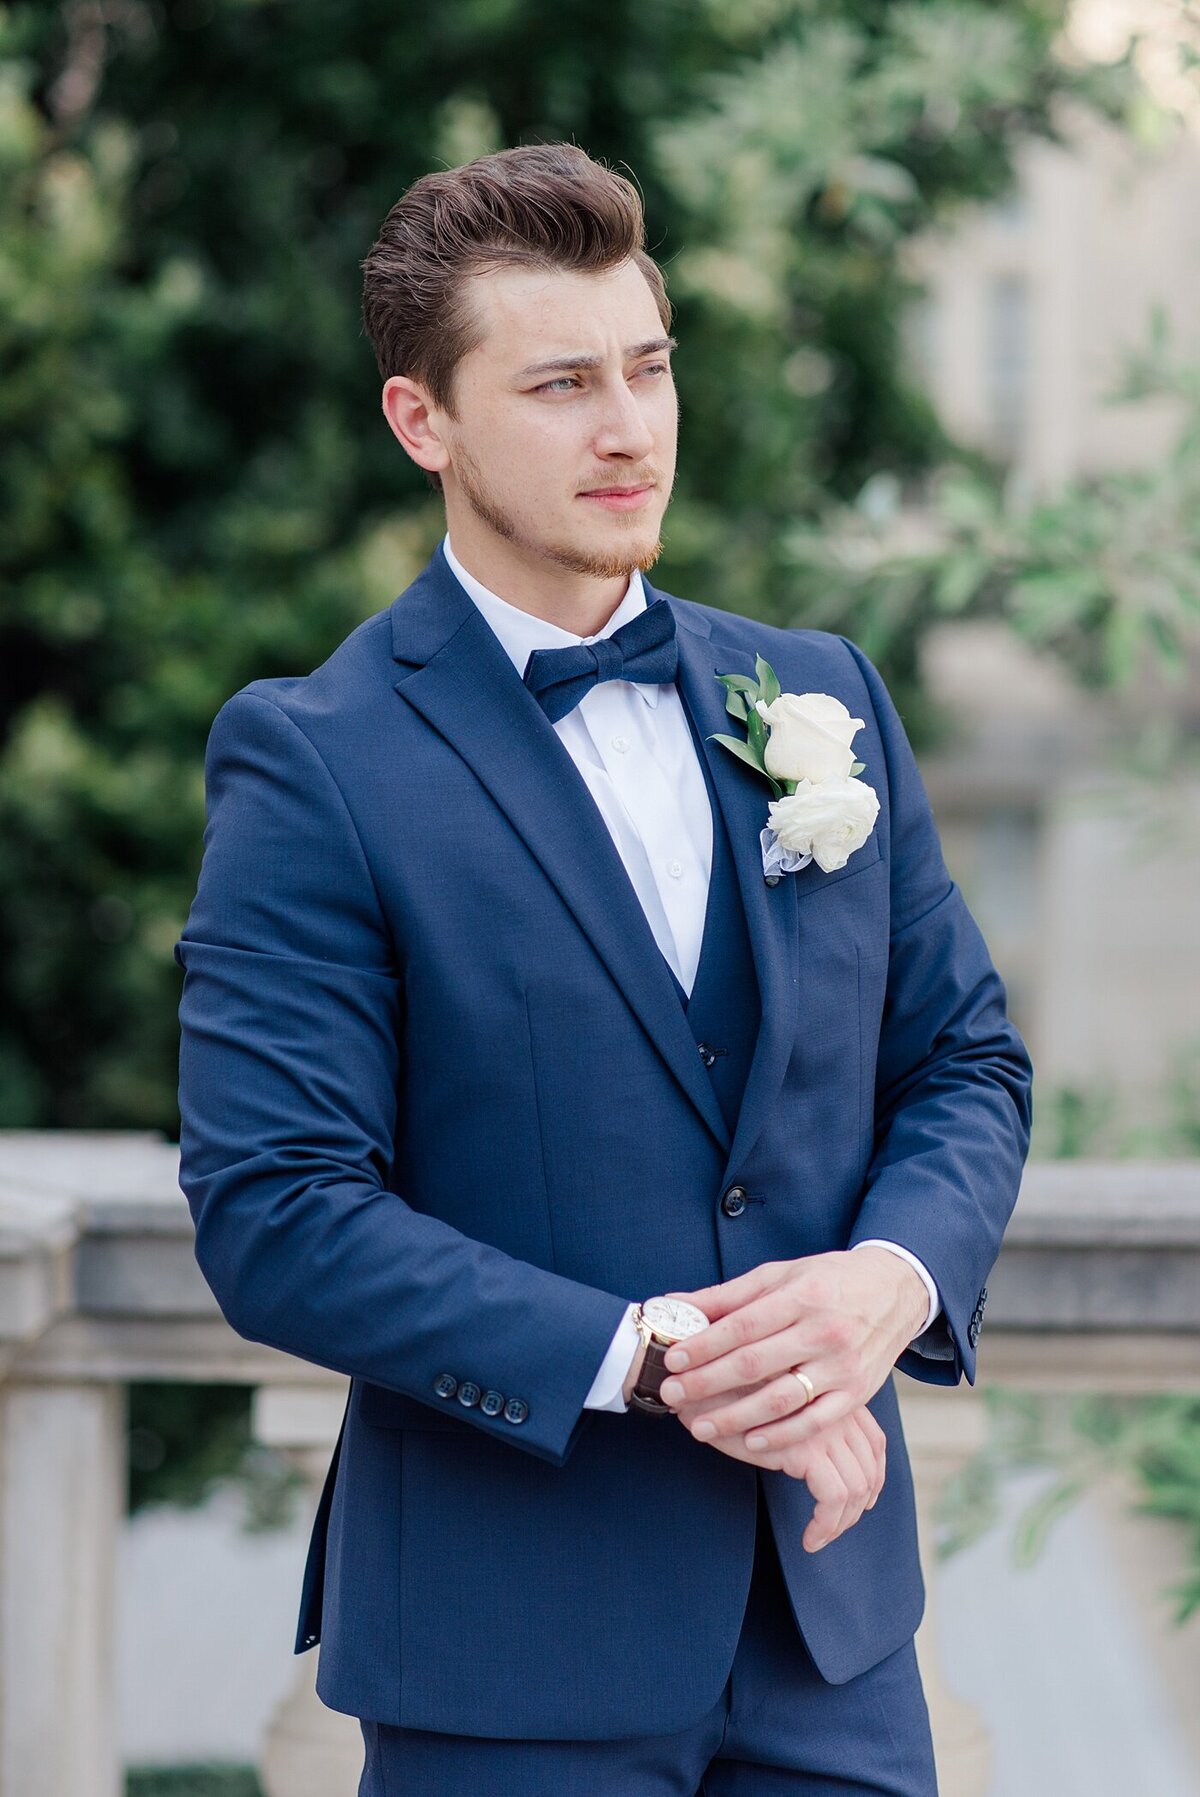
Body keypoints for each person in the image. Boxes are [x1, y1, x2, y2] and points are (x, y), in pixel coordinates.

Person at [174, 141, 1032, 1796]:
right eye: (561, 383)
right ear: (423, 423)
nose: (629, 426)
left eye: (648, 367)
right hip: (508, 1656)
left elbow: (964, 1064)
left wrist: (888, 1285)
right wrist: (658, 1356)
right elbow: (278, 1210)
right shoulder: (316, 758)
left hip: (835, 1631)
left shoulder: (817, 689)